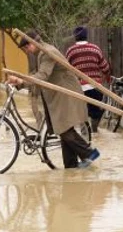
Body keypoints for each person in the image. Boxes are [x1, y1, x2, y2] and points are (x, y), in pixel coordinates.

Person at [7, 31, 101, 169]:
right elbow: (37, 74)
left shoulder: (47, 53)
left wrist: (22, 80)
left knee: (65, 131)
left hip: (66, 95)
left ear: (34, 43)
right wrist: (19, 82)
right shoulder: (41, 53)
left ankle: (91, 154)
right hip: (58, 96)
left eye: (27, 47)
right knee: (63, 131)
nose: (27, 51)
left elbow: (42, 76)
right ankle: (71, 167)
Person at [65, 26, 111, 133]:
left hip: (79, 88)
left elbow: (66, 70)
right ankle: (95, 131)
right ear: (86, 36)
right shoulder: (95, 49)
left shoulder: (70, 51)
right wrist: (106, 76)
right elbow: (105, 67)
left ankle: (85, 134)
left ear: (75, 37)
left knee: (82, 114)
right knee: (96, 111)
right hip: (96, 87)